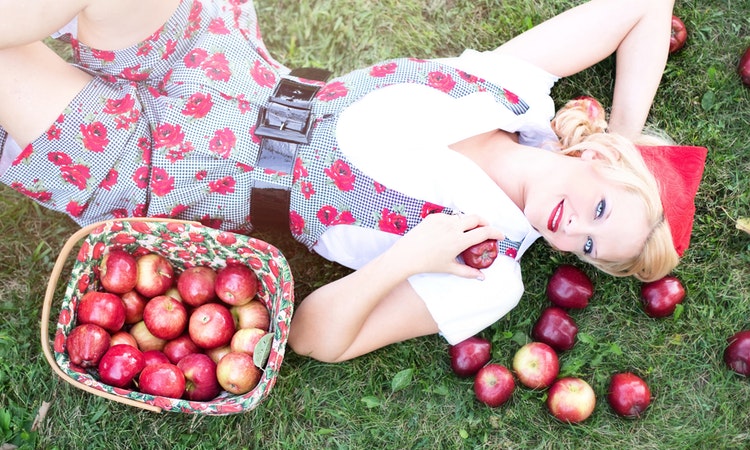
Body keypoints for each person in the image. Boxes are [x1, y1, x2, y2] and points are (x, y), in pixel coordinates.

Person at [0, 0, 706, 363]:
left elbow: (311, 339)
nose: (571, 230)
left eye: (585, 248)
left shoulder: (488, 273)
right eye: (600, 209)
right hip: (217, 64)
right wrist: (628, 130)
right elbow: (641, 5)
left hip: (169, 167)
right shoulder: (512, 93)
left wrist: (411, 257)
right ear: (601, 160)